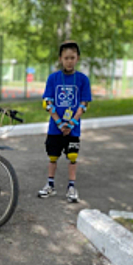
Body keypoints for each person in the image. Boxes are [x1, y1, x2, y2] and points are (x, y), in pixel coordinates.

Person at [37, 40, 92, 202]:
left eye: (72, 57)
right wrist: (60, 123)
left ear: (78, 58)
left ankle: (71, 187)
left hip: (73, 129)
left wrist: (72, 123)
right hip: (56, 128)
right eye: (66, 58)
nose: (69, 61)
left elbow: (84, 103)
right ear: (60, 58)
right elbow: (47, 102)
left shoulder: (83, 80)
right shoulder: (53, 78)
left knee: (72, 157)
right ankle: (50, 185)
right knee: (53, 157)